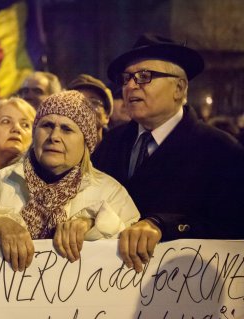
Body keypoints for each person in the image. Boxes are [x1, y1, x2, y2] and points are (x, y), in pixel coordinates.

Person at [92, 33, 244, 273]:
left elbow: (232, 227)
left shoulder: (221, 151)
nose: (130, 86)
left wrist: (165, 225)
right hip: (106, 288)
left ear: (179, 88)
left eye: (144, 77)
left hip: (184, 293)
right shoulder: (111, 143)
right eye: (126, 78)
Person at [0, 90, 140, 272]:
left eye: (67, 129)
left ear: (86, 143)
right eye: (47, 125)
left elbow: (134, 247)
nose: (54, 136)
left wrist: (94, 224)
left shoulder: (111, 192)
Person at [68, 74, 114, 142]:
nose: (86, 107)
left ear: (106, 116)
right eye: (77, 101)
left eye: (94, 102)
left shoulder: (120, 149)